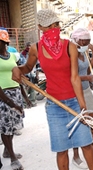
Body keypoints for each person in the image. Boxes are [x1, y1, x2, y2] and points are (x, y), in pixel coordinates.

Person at [11, 9, 93, 170]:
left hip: (74, 102)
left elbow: (75, 78)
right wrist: (17, 69)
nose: (54, 28)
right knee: (62, 150)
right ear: (40, 27)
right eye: (49, 26)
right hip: (54, 106)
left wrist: (83, 107)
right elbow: (28, 67)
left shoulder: (69, 46)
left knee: (86, 144)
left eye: (56, 24)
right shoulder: (35, 48)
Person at [70, 28, 93, 168]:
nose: (87, 44)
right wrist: (88, 77)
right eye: (85, 42)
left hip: (87, 90)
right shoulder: (71, 54)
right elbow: (72, 77)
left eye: (89, 42)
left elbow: (88, 71)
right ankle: (76, 155)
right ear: (76, 40)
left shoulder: (84, 53)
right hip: (76, 92)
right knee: (78, 122)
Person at [0, 30, 25, 170]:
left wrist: (24, 96)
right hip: (2, 95)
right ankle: (13, 158)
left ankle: (7, 151)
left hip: (15, 92)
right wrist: (10, 103)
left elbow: (17, 76)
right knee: (5, 126)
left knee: (13, 125)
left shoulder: (12, 57)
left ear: (4, 42)